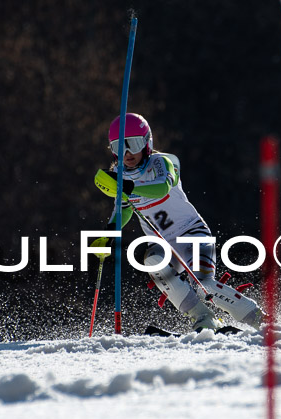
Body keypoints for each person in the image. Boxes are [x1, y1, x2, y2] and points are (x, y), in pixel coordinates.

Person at [92, 113, 263, 331]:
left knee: (204, 285)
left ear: (147, 142)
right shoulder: (118, 174)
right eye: (118, 148)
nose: (126, 154)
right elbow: (124, 209)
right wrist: (109, 233)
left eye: (132, 144)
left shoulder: (162, 162)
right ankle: (204, 319)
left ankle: (257, 317)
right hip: (163, 244)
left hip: (192, 232)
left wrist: (130, 189)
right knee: (153, 261)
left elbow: (163, 186)